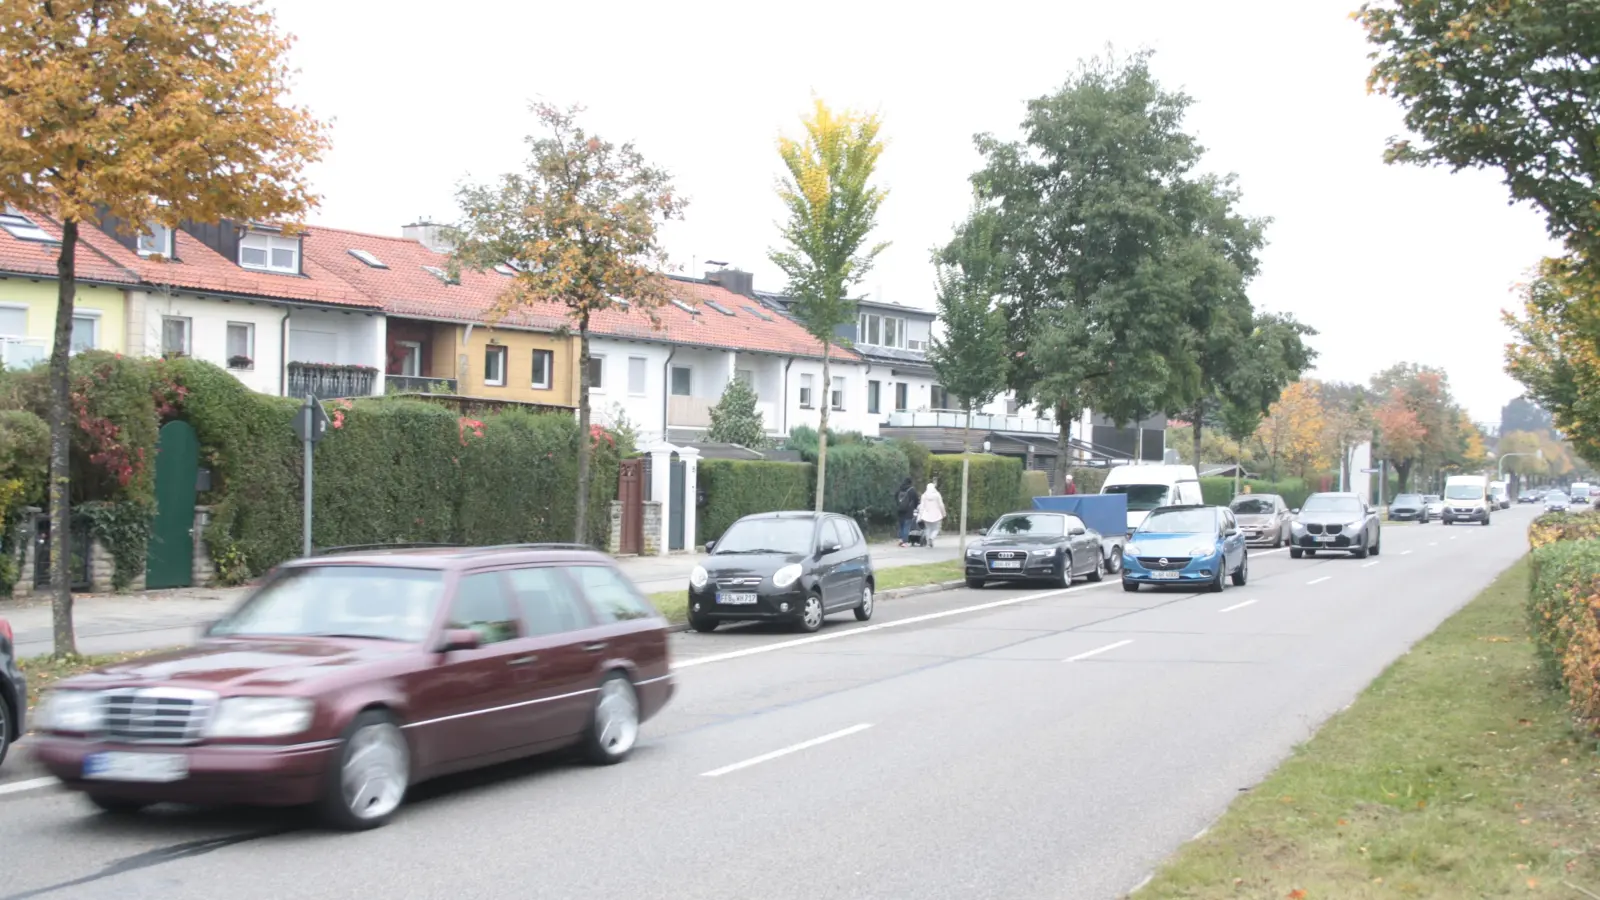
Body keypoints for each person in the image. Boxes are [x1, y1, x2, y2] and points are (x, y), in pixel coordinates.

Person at [916, 482, 947, 547]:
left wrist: (921, 515)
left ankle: (928, 541)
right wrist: (943, 513)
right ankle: (932, 538)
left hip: (927, 515)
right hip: (937, 514)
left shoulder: (924, 496)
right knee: (936, 528)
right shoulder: (937, 495)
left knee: (928, 528)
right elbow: (941, 505)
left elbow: (922, 506)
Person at [895, 477, 918, 547]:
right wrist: (915, 507)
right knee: (906, 526)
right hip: (909, 511)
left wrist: (899, 504)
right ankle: (904, 542)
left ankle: (900, 539)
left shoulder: (899, 489)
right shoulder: (912, 490)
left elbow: (895, 496)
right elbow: (916, 500)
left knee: (901, 525)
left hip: (900, 510)